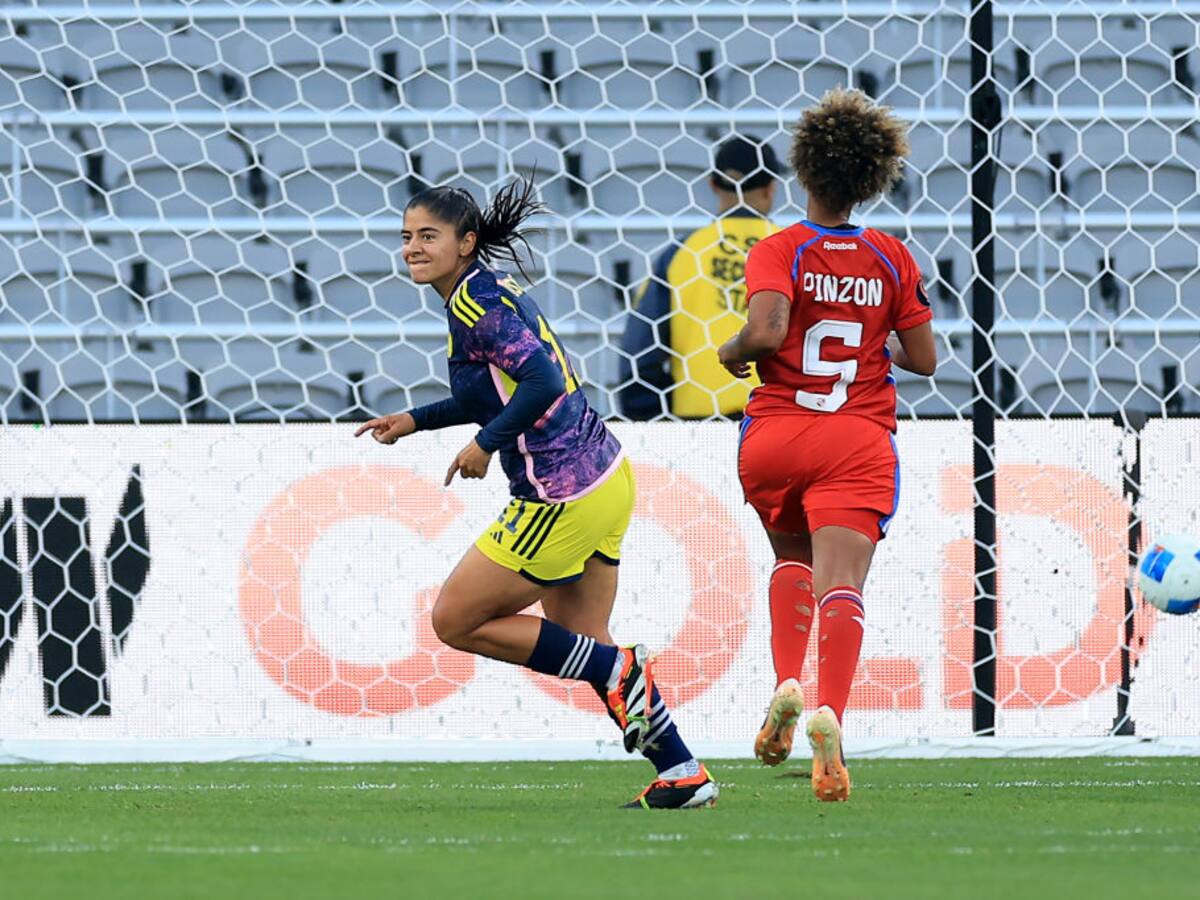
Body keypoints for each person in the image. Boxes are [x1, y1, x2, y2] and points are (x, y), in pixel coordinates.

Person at [355, 180, 717, 810]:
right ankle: (682, 771)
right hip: (604, 476)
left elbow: (542, 381)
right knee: (584, 639)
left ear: (466, 242)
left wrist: (486, 444)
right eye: (407, 236)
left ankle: (619, 671)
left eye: (428, 236)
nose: (412, 247)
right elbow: (490, 391)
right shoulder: (482, 292)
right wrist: (414, 420)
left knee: (454, 620)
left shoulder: (475, 303)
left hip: (560, 493)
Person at [717, 89, 938, 802]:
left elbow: (768, 331)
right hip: (856, 438)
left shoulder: (779, 248)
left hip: (777, 435)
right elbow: (925, 359)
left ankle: (786, 679)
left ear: (803, 171)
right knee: (843, 584)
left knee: (791, 560)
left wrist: (731, 351)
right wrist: (872, 339)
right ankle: (830, 714)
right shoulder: (890, 256)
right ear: (872, 179)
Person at [618, 136, 782, 420]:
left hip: (698, 424)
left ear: (713, 185)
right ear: (770, 188)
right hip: (776, 417)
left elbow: (640, 351)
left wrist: (653, 420)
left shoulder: (682, 253)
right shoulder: (791, 249)